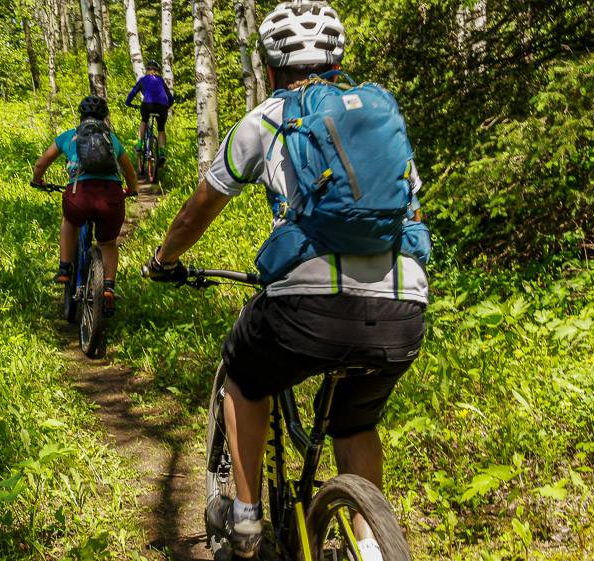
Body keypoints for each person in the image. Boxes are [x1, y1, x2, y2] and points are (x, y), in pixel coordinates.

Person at [144, 2, 428, 559]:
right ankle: (372, 546)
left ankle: (246, 519)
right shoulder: (379, 115)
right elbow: (410, 210)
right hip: (402, 306)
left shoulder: (267, 118)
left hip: (305, 307)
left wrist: (164, 259)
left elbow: (200, 208)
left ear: (270, 67)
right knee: (355, 422)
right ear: (338, 59)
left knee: (246, 378)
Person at [32, 95, 139, 317]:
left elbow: (41, 163)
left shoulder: (69, 136)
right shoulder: (111, 139)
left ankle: (64, 268)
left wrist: (38, 180)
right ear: (104, 118)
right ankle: (108, 286)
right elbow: (129, 171)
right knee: (108, 243)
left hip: (79, 194)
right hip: (111, 197)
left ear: (81, 116)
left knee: (70, 221)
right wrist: (132, 189)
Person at [125, 59, 174, 167]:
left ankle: (139, 145)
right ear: (158, 71)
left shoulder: (143, 79)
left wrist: (128, 103)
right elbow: (170, 97)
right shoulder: (161, 80)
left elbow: (133, 92)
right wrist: (167, 107)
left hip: (148, 105)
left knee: (144, 120)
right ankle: (161, 153)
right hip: (162, 106)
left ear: (147, 70)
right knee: (161, 129)